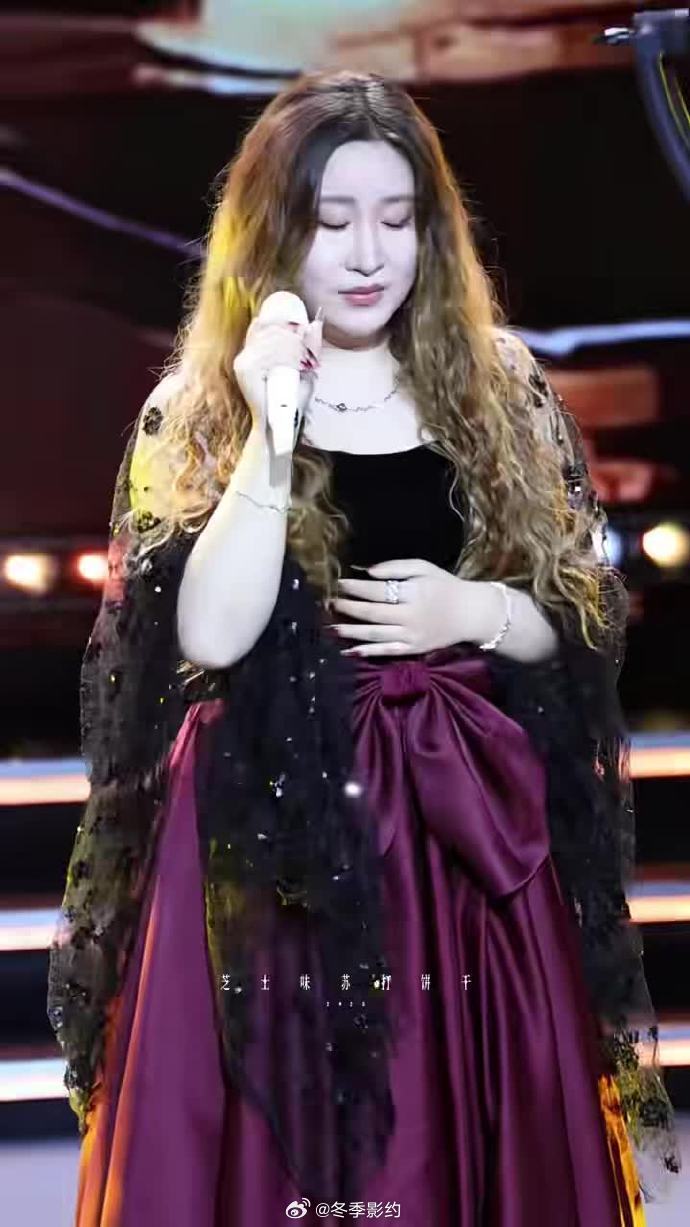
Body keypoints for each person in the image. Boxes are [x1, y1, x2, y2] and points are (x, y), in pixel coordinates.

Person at [47, 69, 681, 1226]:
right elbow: (211, 633)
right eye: (332, 221)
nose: (367, 253)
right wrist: (273, 425)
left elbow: (573, 612)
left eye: (396, 218)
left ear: (432, 230)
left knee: (461, 1138)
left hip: (457, 826)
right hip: (271, 826)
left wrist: (473, 614)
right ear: (275, 230)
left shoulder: (497, 385)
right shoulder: (201, 405)